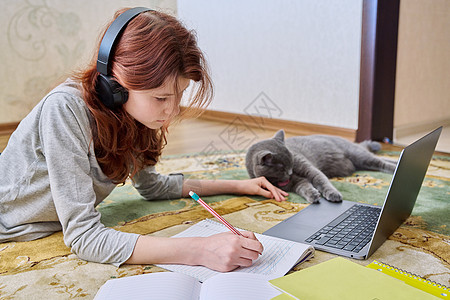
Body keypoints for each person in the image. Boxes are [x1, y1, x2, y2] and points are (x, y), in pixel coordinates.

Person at [0, 8, 288, 272]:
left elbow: (152, 187)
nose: (173, 111)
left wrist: (239, 185)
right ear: (114, 86)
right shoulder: (64, 110)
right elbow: (84, 237)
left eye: (180, 95)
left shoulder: (137, 116)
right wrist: (200, 250)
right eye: (161, 97)